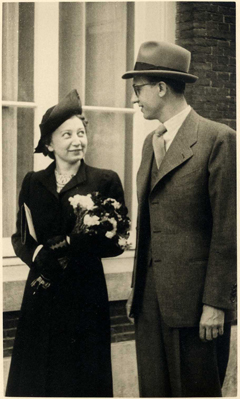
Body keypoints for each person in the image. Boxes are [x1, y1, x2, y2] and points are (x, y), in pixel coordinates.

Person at [122, 41, 236, 397]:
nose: (134, 99)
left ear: (161, 87)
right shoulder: (149, 143)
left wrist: (216, 303)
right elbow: (149, 223)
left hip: (196, 309)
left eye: (137, 89)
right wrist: (135, 289)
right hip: (149, 303)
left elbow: (228, 230)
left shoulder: (218, 140)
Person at [6, 89, 127, 397]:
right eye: (67, 134)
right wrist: (38, 255)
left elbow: (118, 239)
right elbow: (20, 235)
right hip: (42, 288)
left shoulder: (104, 180)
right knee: (39, 373)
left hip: (84, 290)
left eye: (81, 133)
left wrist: (75, 243)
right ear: (49, 144)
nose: (77, 141)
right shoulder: (33, 182)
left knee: (82, 373)